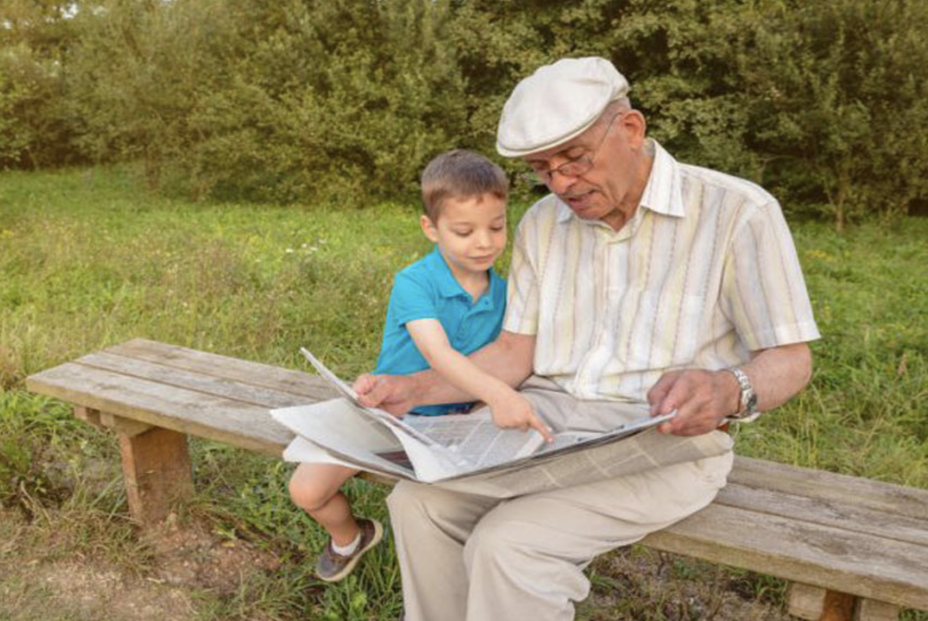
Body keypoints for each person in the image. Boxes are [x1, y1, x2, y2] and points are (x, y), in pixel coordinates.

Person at [354, 57, 820, 621]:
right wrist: (411, 390)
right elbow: (513, 353)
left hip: (662, 443)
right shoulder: (542, 224)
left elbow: (791, 358)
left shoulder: (738, 211)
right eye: (541, 170)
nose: (561, 183)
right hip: (542, 424)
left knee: (511, 545)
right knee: (418, 502)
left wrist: (728, 388)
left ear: (630, 130)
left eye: (574, 160)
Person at [288, 149, 549, 583]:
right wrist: (499, 394)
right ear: (431, 228)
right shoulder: (414, 281)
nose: (484, 242)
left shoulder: (507, 293)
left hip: (460, 421)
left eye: (497, 226)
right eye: (464, 231)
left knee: (469, 508)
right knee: (306, 490)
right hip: (393, 411)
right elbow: (438, 354)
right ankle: (350, 538)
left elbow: (514, 354)